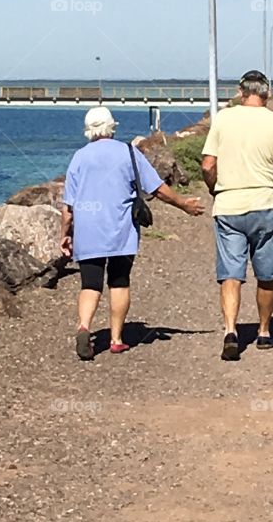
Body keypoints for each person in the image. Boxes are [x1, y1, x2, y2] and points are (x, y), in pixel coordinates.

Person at [60, 107, 204, 360]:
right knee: (119, 280)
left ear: (88, 130)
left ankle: (84, 327)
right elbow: (157, 188)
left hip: (88, 230)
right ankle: (116, 339)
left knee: (90, 284)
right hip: (120, 229)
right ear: (111, 127)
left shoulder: (79, 157)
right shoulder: (128, 152)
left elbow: (68, 207)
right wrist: (183, 204)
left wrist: (65, 234)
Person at [201, 70, 273, 361]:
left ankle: (231, 331)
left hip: (229, 205)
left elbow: (207, 166)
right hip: (264, 204)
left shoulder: (224, 118)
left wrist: (215, 190)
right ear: (266, 93)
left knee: (231, 274)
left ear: (241, 92)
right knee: (266, 273)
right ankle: (264, 332)